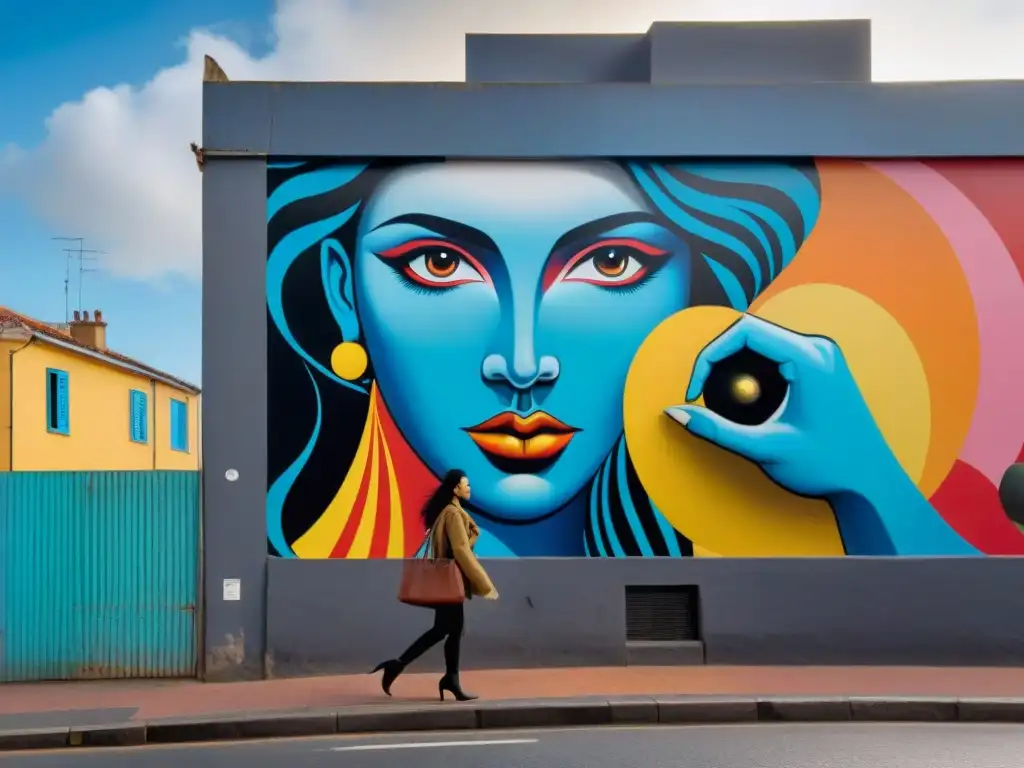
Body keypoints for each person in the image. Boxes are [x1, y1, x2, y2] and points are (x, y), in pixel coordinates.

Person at [372, 469, 499, 701]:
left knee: (445, 629)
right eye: (466, 485)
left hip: (447, 580)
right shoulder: (452, 513)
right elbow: (460, 550)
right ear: (455, 489)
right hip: (449, 580)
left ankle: (414, 669)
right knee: (450, 629)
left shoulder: (450, 511)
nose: (469, 488)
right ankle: (441, 676)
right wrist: (483, 582)